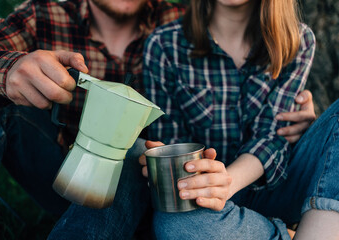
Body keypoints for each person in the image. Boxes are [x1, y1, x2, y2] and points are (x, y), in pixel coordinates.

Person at [0, 0, 315, 238]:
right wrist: (6, 71)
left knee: (134, 150)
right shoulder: (44, 14)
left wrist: (303, 122)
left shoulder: (181, 20)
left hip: (139, 186)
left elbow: (269, 120)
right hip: (57, 164)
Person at [139, 0, 339, 239]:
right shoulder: (163, 45)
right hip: (205, 202)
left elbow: (272, 137)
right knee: (173, 221)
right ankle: (286, 234)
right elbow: (173, 151)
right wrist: (179, 170)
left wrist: (228, 182)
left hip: (279, 187)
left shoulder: (296, 38)